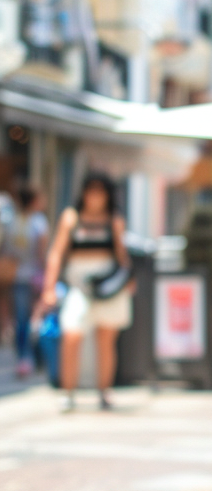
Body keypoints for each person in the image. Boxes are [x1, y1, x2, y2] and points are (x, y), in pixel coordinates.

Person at [41, 172, 132, 411]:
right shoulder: (71, 218)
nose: (94, 196)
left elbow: (122, 255)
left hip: (108, 287)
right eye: (91, 189)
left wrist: (127, 279)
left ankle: (104, 392)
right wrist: (48, 287)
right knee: (71, 335)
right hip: (79, 286)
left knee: (106, 341)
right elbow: (57, 253)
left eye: (99, 190)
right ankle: (68, 392)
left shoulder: (113, 219)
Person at [4, 185, 48, 377]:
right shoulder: (38, 222)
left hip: (17, 275)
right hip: (33, 277)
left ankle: (25, 358)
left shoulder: (11, 221)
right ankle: (32, 358)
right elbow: (42, 253)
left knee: (21, 319)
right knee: (33, 319)